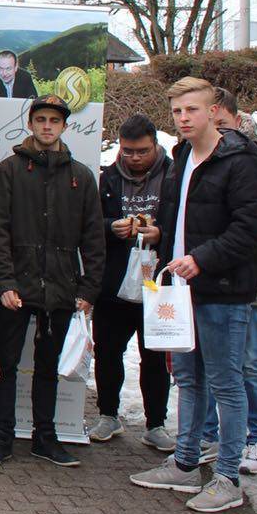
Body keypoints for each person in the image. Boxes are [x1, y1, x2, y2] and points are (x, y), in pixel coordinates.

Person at [130, 76, 257, 514]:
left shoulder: (242, 160)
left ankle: (228, 478)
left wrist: (202, 259)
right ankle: (186, 463)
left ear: (213, 112)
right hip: (180, 290)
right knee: (189, 380)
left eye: (192, 109)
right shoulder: (181, 157)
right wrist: (159, 236)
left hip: (222, 291)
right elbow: (181, 219)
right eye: (176, 111)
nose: (183, 118)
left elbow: (250, 228)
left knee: (227, 384)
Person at [0, 95, 105, 468]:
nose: (47, 126)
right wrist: (4, 283)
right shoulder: (9, 170)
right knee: (6, 362)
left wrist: (88, 289)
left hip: (62, 286)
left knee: (48, 366)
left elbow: (94, 239)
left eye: (54, 120)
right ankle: (1, 436)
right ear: (30, 123)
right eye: (41, 119)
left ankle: (45, 438)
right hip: (17, 285)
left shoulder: (82, 176)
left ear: (64, 126)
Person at [200, 87, 257, 475]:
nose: (218, 131)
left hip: (250, 277)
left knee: (251, 361)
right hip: (206, 273)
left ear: (237, 118)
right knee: (205, 362)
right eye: (212, 124)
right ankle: (207, 435)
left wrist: (238, 192)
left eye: (222, 124)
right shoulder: (199, 153)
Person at [89, 113, 172, 450]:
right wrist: (112, 227)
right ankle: (108, 414)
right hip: (114, 280)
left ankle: (156, 423)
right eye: (128, 151)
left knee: (154, 354)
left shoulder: (173, 176)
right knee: (108, 350)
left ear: (155, 145)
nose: (135, 158)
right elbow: (91, 222)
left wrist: (160, 234)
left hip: (157, 281)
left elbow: (185, 224)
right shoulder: (108, 178)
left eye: (142, 151)